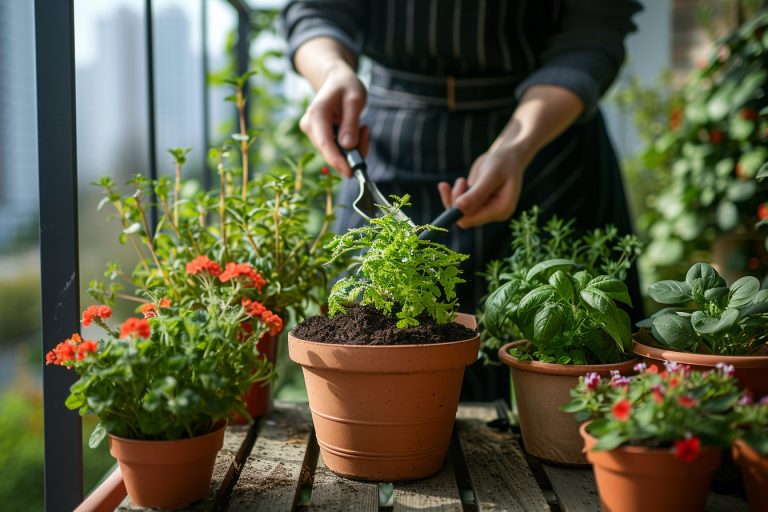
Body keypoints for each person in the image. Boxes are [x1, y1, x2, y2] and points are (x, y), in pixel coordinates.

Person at [282, 0, 644, 401]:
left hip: (549, 148)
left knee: (575, 365)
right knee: (371, 355)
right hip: (388, 137)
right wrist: (333, 71)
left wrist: (518, 145)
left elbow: (593, 32)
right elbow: (315, 10)